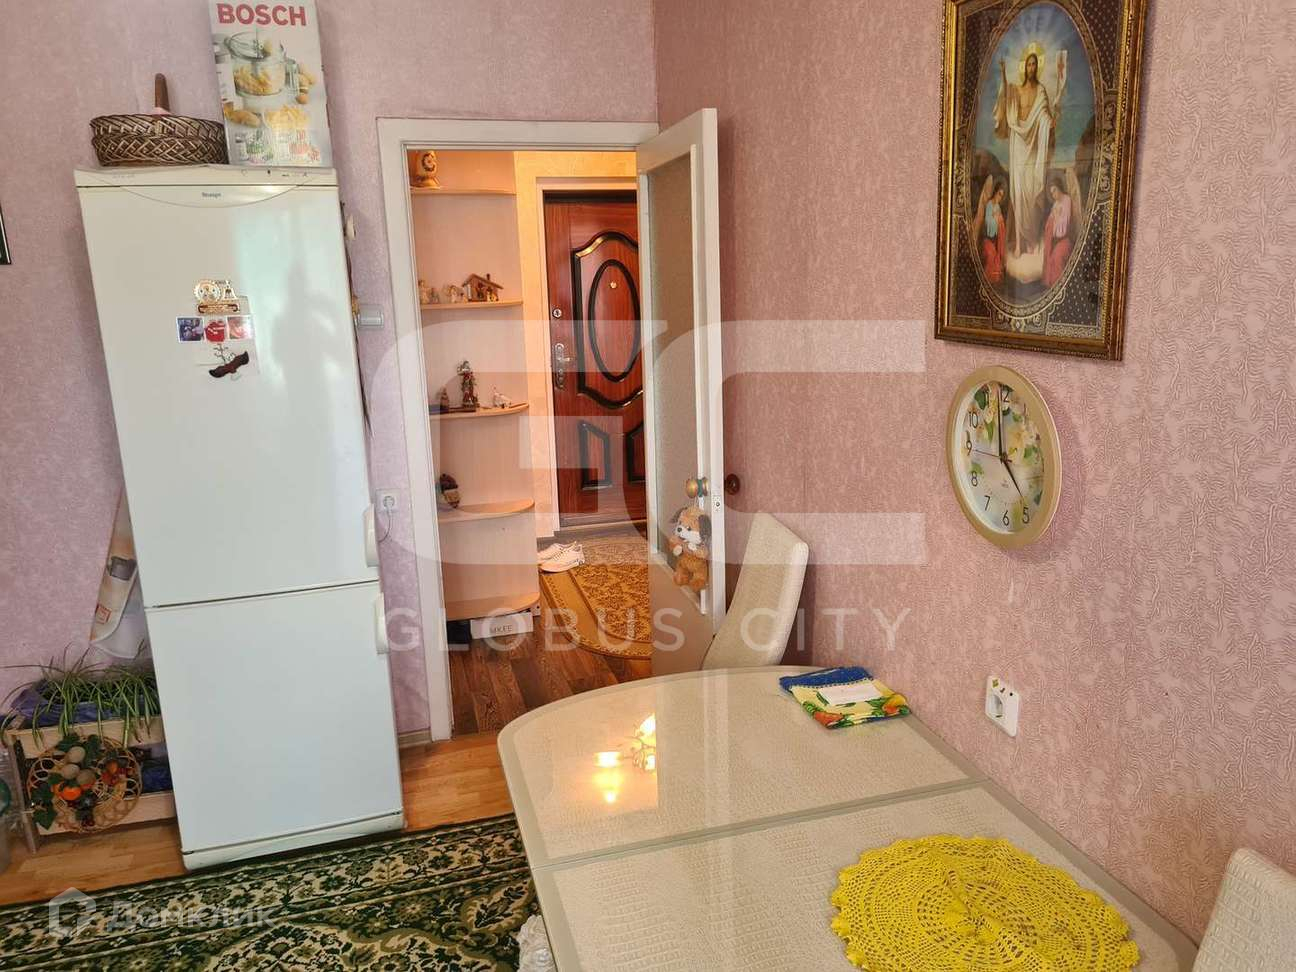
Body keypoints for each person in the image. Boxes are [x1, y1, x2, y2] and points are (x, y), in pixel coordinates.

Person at [993, 47, 1065, 260]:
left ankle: (1031, 239)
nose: (1031, 68)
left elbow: (1043, 115)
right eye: (1029, 64)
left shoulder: (1041, 91)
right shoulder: (1017, 90)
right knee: (1017, 192)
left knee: (1032, 191)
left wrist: (1049, 122)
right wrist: (1003, 74)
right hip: (1018, 143)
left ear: (1037, 67)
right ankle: (1019, 243)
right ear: (1024, 68)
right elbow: (1006, 100)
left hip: (1033, 147)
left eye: (1034, 64)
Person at [1042, 177, 1073, 288]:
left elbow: (1064, 225)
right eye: (1051, 193)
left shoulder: (1067, 200)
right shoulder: (1055, 204)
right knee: (1050, 258)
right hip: (1055, 240)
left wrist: (1056, 216)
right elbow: (1049, 223)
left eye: (1054, 190)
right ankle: (1053, 288)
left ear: (1059, 188)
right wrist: (1054, 217)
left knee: (1057, 257)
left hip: (1064, 239)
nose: (1053, 195)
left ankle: (1059, 287)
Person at [980, 182, 1007, 284]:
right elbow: (987, 222)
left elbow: (1000, 221)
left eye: (1002, 196)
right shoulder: (989, 205)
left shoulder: (998, 207)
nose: (1000, 197)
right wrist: (996, 219)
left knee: (997, 258)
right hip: (987, 239)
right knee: (992, 256)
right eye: (999, 194)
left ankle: (994, 282)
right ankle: (988, 281)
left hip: (996, 240)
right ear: (995, 192)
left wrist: (999, 219)